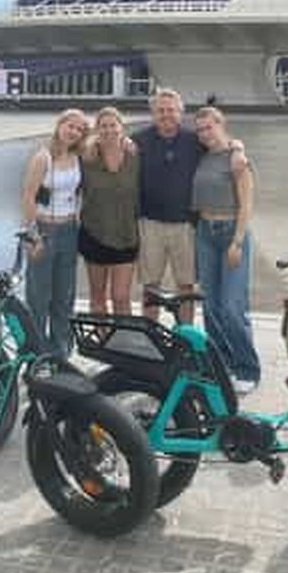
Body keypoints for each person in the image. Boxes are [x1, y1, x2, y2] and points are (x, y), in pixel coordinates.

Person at [192, 105, 261, 395]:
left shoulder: (237, 160)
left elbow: (247, 204)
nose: (204, 133)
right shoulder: (201, 156)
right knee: (211, 306)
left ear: (221, 125)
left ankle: (247, 369)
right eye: (200, 129)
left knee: (233, 306)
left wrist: (237, 241)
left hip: (231, 232)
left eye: (209, 127)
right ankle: (222, 366)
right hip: (204, 233)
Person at [132, 89, 206, 324]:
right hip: (150, 223)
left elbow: (221, 147)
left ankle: (184, 335)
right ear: (153, 113)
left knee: (186, 285)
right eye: (161, 110)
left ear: (181, 112)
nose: (166, 114)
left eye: (171, 110)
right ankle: (150, 333)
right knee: (150, 285)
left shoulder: (195, 141)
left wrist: (237, 147)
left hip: (185, 224)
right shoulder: (138, 140)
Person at [20, 108, 88, 356]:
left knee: (64, 295)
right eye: (70, 126)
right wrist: (32, 234)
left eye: (79, 129)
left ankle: (61, 352)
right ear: (60, 126)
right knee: (38, 296)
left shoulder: (79, 157)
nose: (74, 132)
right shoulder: (43, 157)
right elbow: (28, 196)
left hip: (69, 230)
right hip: (44, 230)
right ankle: (36, 353)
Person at [79, 107, 139, 316]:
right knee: (98, 297)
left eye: (113, 125)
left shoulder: (134, 155)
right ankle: (101, 336)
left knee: (121, 296)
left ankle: (124, 336)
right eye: (103, 126)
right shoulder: (87, 158)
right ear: (97, 130)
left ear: (122, 128)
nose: (109, 130)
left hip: (126, 235)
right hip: (95, 233)